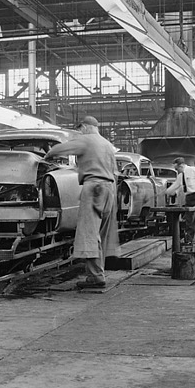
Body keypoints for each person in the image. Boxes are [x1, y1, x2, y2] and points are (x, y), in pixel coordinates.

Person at [44, 115, 120, 289]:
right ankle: (98, 273)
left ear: (85, 127)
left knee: (89, 233)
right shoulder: (108, 145)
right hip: (109, 189)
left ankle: (96, 277)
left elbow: (60, 149)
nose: (79, 132)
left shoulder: (86, 140)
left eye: (80, 129)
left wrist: (48, 154)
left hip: (93, 187)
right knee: (100, 234)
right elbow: (115, 171)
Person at [165, 157, 195, 248]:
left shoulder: (193, 170)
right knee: (189, 220)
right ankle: (189, 240)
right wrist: (167, 192)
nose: (176, 170)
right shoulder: (180, 176)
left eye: (177, 168)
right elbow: (175, 186)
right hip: (189, 197)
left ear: (182, 165)